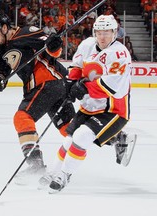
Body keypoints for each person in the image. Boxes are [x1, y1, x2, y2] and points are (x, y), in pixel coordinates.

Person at [38, 15, 136, 193]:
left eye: (107, 32)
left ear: (114, 33)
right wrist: (70, 83)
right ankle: (53, 172)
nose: (103, 36)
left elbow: (114, 87)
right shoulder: (87, 45)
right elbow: (77, 67)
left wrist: (83, 87)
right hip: (89, 107)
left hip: (113, 110)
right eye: (100, 32)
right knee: (69, 140)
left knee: (82, 136)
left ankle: (65, 175)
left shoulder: (120, 54)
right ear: (94, 32)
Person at [0, 13, 75, 180]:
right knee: (71, 130)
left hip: (47, 83)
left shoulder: (26, 32)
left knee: (22, 117)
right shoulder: (0, 49)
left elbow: (53, 49)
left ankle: (35, 164)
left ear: (5, 28)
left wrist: (54, 44)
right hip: (57, 86)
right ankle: (115, 138)